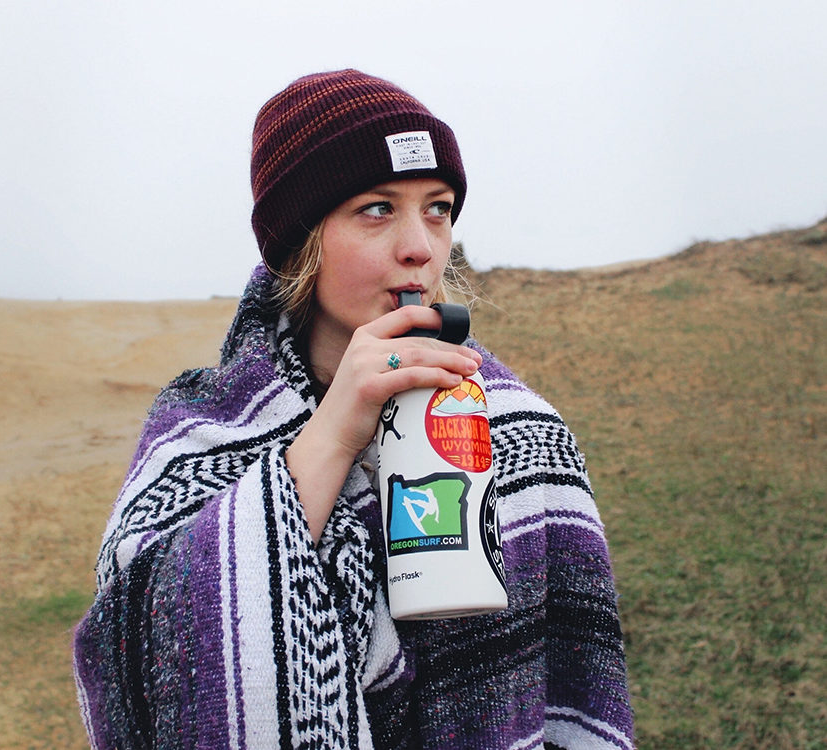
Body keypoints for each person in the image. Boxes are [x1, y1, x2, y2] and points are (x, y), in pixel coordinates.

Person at [73, 69, 634, 750]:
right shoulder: (203, 425)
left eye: (438, 208)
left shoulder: (521, 429)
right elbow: (138, 648)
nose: (420, 246)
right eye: (376, 209)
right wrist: (334, 434)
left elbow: (579, 687)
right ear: (300, 242)